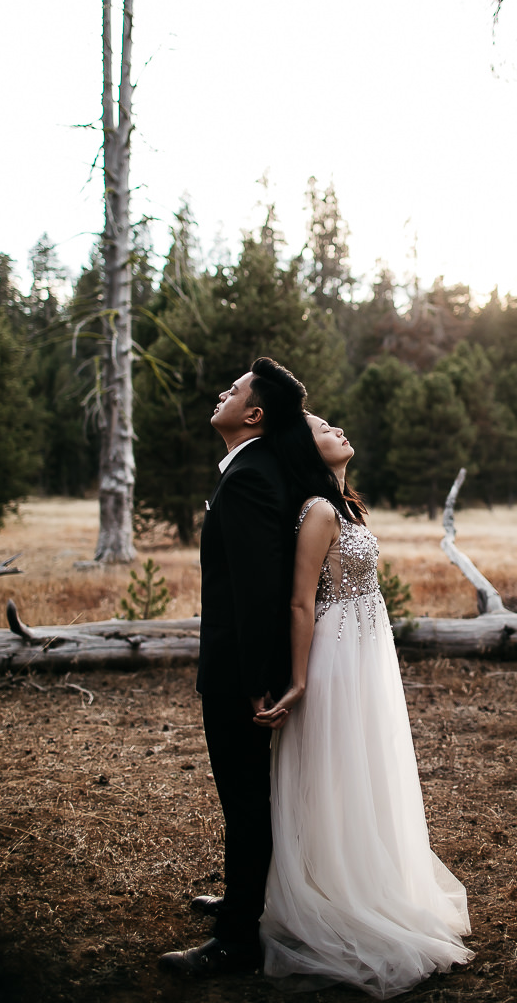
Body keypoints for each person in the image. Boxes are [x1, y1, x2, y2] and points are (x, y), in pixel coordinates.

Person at [254, 413, 473, 998]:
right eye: (323, 427)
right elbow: (301, 603)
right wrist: (297, 681)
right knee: (337, 770)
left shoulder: (341, 503)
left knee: (366, 768)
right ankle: (335, 892)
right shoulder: (318, 511)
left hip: (367, 651)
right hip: (336, 655)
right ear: (305, 446)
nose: (339, 430)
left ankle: (373, 880)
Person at [159, 357, 307, 979]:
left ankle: (237, 941)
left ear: (254, 415)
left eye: (236, 389)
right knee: (246, 798)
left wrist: (253, 683)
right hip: (245, 666)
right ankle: (243, 899)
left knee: (245, 800)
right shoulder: (255, 469)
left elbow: (256, 592)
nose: (223, 391)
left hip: (240, 674)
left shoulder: (249, 476)